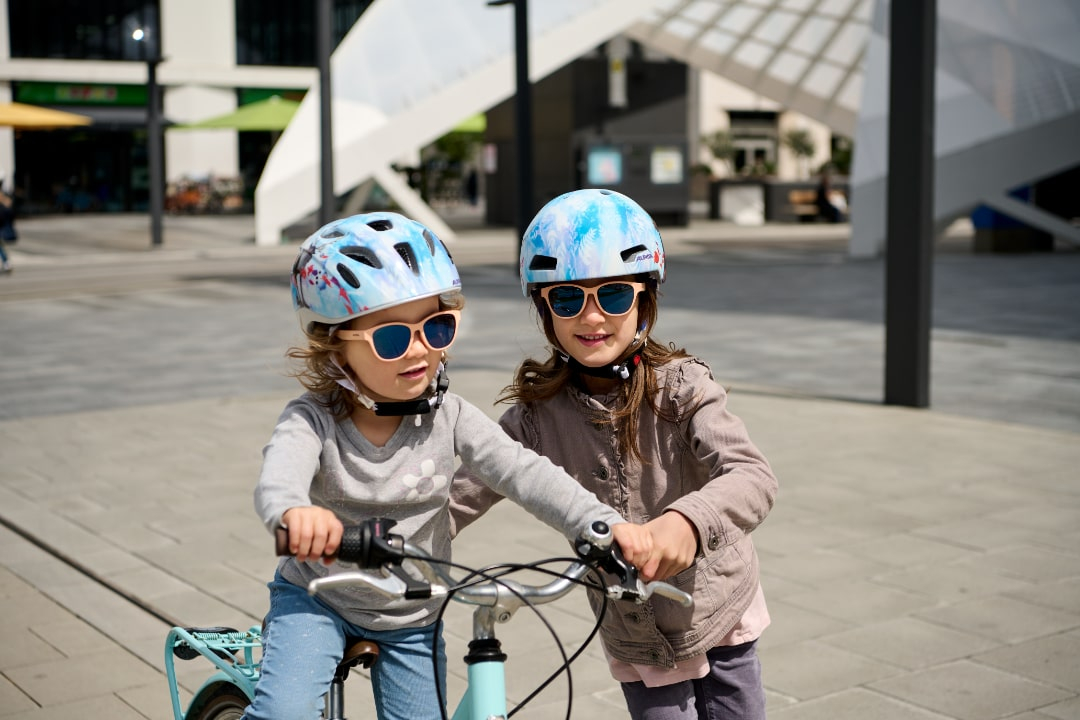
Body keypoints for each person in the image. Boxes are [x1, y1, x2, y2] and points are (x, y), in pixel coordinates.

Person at [246, 211, 652, 720]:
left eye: (437, 328)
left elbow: (522, 470)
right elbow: (278, 479)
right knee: (282, 714)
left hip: (414, 613)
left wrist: (601, 525)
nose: (420, 351)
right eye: (391, 338)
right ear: (336, 344)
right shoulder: (315, 420)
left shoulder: (450, 414)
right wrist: (292, 516)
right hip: (317, 598)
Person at [451, 189, 778, 720]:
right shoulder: (536, 418)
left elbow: (752, 475)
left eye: (614, 296)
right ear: (544, 309)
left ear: (645, 300)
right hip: (634, 631)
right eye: (566, 299)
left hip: (719, 610)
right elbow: (461, 490)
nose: (591, 316)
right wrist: (392, 541)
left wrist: (688, 524)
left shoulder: (682, 388)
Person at [0, 174, 16, 273]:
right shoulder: (3, 194)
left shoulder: (3, 194)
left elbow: (9, 206)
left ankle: (6, 262)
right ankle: (6, 262)